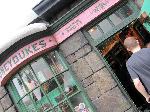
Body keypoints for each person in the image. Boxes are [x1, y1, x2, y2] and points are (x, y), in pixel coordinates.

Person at [124, 37, 150, 103]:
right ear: (137, 42)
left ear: (128, 49)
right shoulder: (148, 51)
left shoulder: (129, 63)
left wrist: (146, 96)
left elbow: (137, 83)